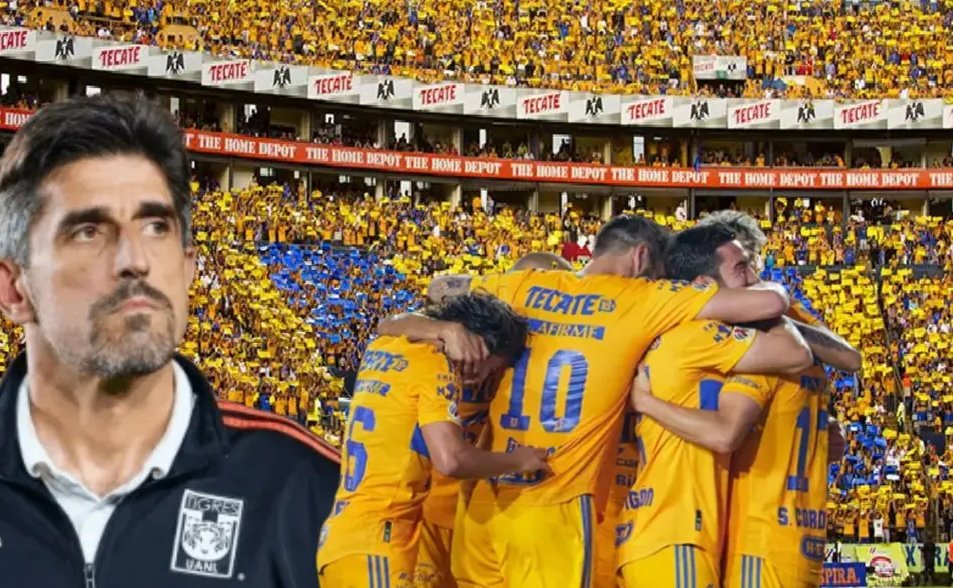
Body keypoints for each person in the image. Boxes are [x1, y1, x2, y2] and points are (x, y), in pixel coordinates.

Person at [0, 92, 340, 588]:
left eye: (156, 226)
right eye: (88, 231)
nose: (135, 259)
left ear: (189, 264)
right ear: (12, 288)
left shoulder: (310, 488)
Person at [379, 215, 794, 588]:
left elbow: (434, 291)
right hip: (554, 501)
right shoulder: (643, 300)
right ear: (640, 256)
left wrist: (448, 330)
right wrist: (759, 277)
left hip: (483, 503)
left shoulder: (524, 284)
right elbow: (771, 302)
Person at [615, 225, 821, 588]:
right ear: (702, 284)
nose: (754, 279)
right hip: (675, 532)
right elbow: (795, 354)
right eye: (741, 269)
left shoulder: (668, 335)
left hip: (667, 530)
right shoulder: (702, 336)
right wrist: (770, 309)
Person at [317, 292, 548, 588]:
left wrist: (444, 329)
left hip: (347, 536)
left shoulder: (385, 347)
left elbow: (387, 324)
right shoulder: (435, 366)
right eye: (489, 367)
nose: (480, 378)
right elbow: (452, 459)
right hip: (379, 540)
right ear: (474, 344)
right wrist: (519, 460)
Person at [414, 252, 576, 588]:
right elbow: (435, 289)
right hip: (440, 503)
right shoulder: (478, 331)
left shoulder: (560, 343)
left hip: (492, 503)